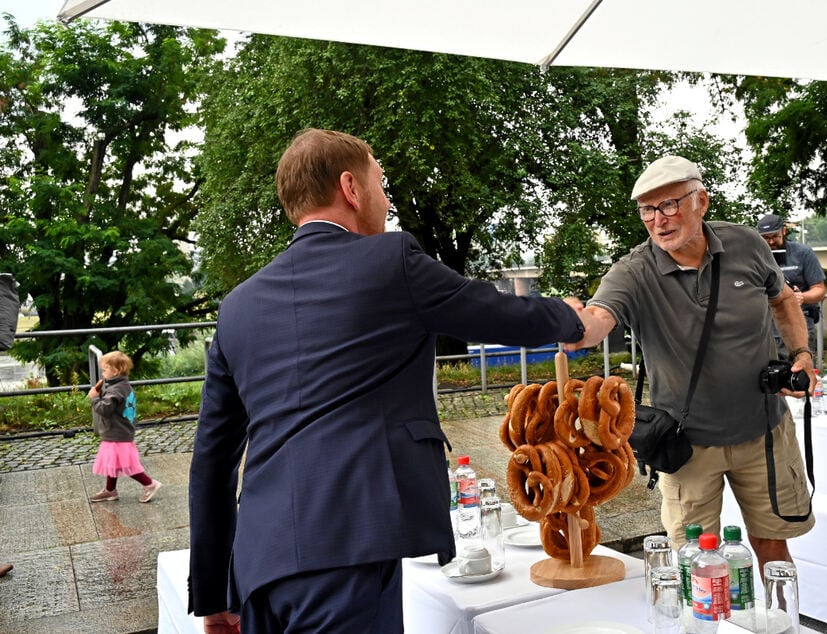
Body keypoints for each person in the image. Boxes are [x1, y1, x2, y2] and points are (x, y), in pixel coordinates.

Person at [188, 128, 589, 634]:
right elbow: (495, 312)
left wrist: (212, 592)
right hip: (350, 548)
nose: (386, 198)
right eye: (382, 183)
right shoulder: (391, 260)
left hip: (259, 568)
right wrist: (574, 319)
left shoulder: (237, 306)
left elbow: (211, 459)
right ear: (351, 188)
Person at [565, 155, 815, 579]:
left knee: (773, 550)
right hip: (687, 446)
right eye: (647, 209)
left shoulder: (746, 244)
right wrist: (569, 323)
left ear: (702, 200)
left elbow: (783, 300)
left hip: (765, 432)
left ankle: (779, 623)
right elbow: (597, 319)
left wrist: (801, 355)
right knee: (696, 567)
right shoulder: (634, 272)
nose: (659, 220)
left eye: (669, 205)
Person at [87, 350, 161, 504]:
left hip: (118, 434)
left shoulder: (116, 389)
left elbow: (105, 410)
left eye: (105, 369)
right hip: (118, 432)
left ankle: (150, 484)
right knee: (112, 463)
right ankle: (110, 490)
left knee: (126, 465)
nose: (102, 373)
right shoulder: (122, 386)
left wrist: (94, 399)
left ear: (116, 371)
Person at [756, 213, 826, 357]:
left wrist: (801, 297)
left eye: (774, 236)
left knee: (802, 369)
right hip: (768, 324)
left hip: (800, 321)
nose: (770, 242)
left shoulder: (803, 253)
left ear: (784, 231)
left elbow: (819, 290)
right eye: (765, 238)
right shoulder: (756, 256)